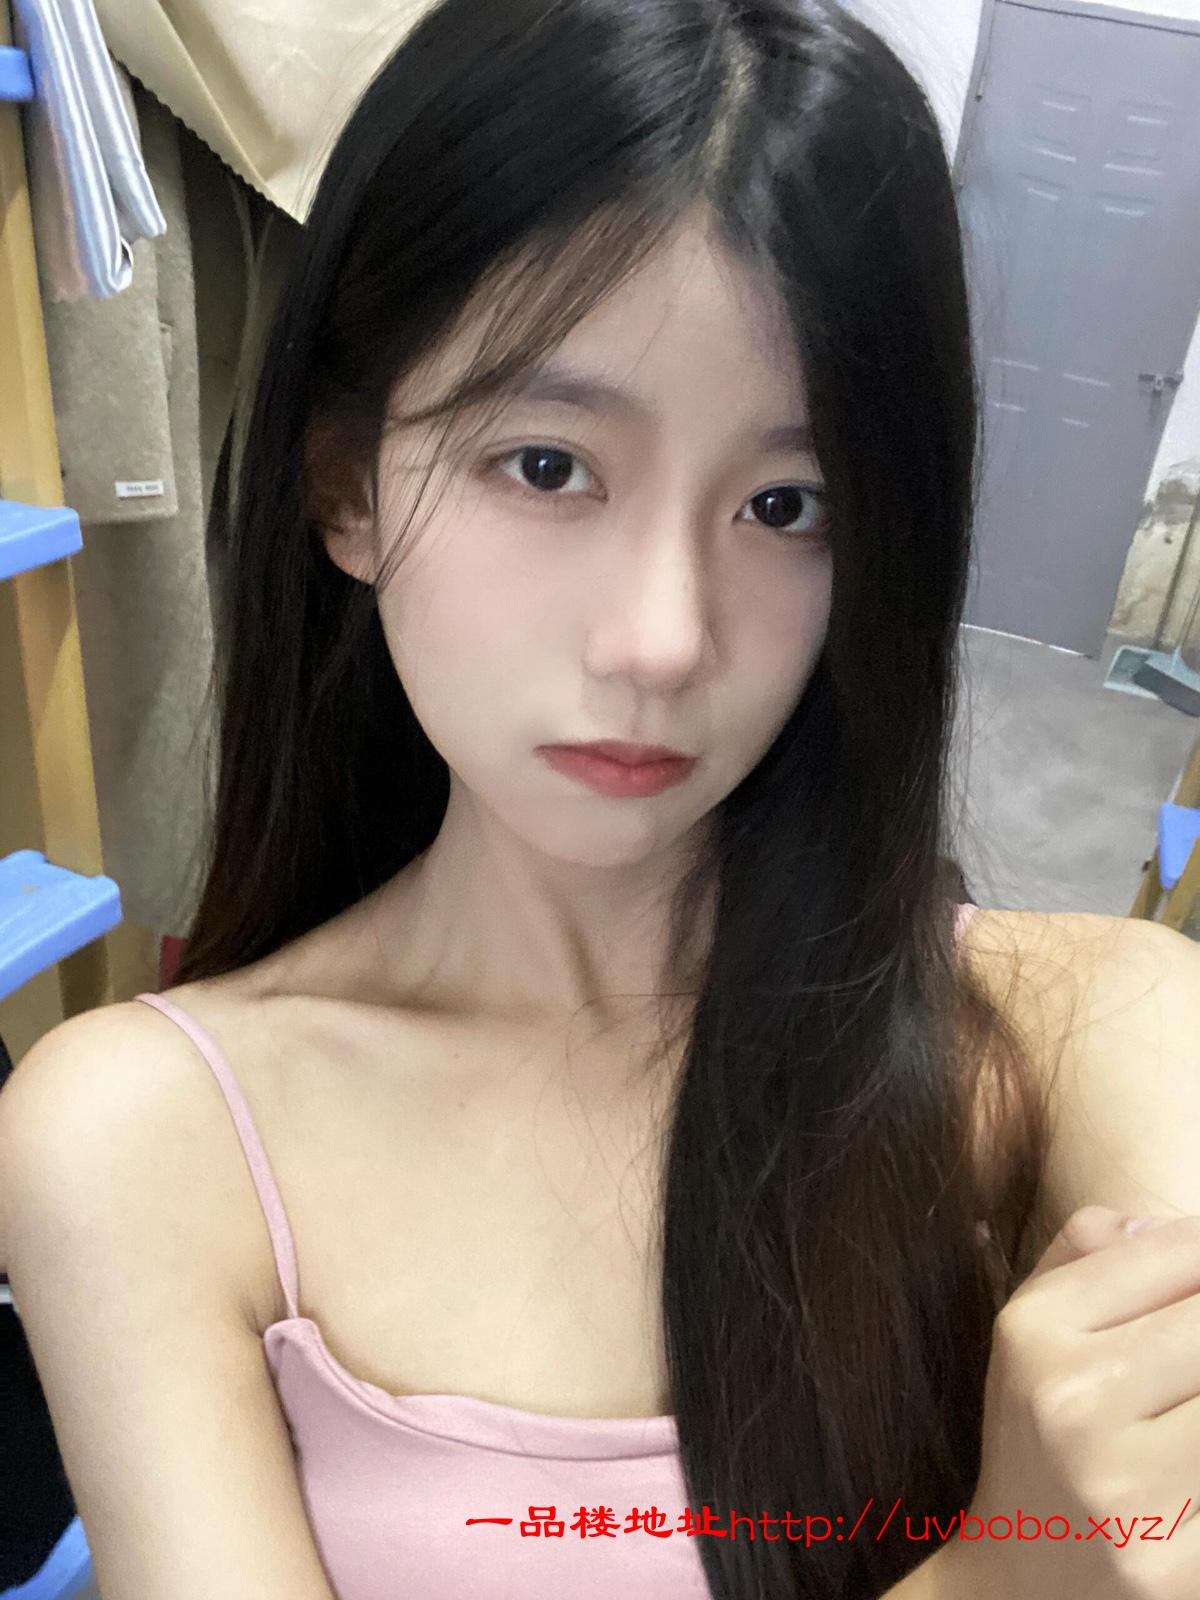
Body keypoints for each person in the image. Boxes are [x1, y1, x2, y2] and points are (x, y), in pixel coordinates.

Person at [2, 2, 1199, 1598]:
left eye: (788, 504)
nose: (662, 640)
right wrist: (1007, 1575)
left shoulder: (1093, 1033)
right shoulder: (143, 1141)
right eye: (549, 466)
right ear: (346, 485)